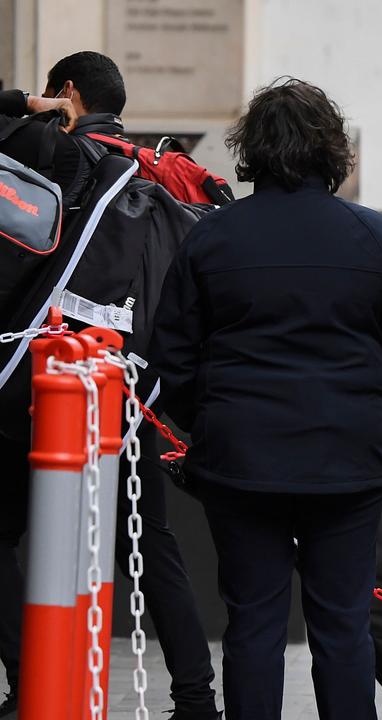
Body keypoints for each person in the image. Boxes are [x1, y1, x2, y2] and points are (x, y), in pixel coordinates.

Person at [150, 78, 382, 720]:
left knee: (252, 621)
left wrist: (208, 419)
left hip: (240, 457)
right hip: (346, 456)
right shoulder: (376, 238)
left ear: (250, 151)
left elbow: (171, 352)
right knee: (343, 625)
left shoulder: (211, 237)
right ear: (332, 152)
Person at [0, 51, 223, 720]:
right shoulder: (161, 172)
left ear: (66, 93)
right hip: (128, 393)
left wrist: (24, 105)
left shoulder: (64, 155)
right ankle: (196, 697)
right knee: (151, 546)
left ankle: (31, 679)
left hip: (43, 385)